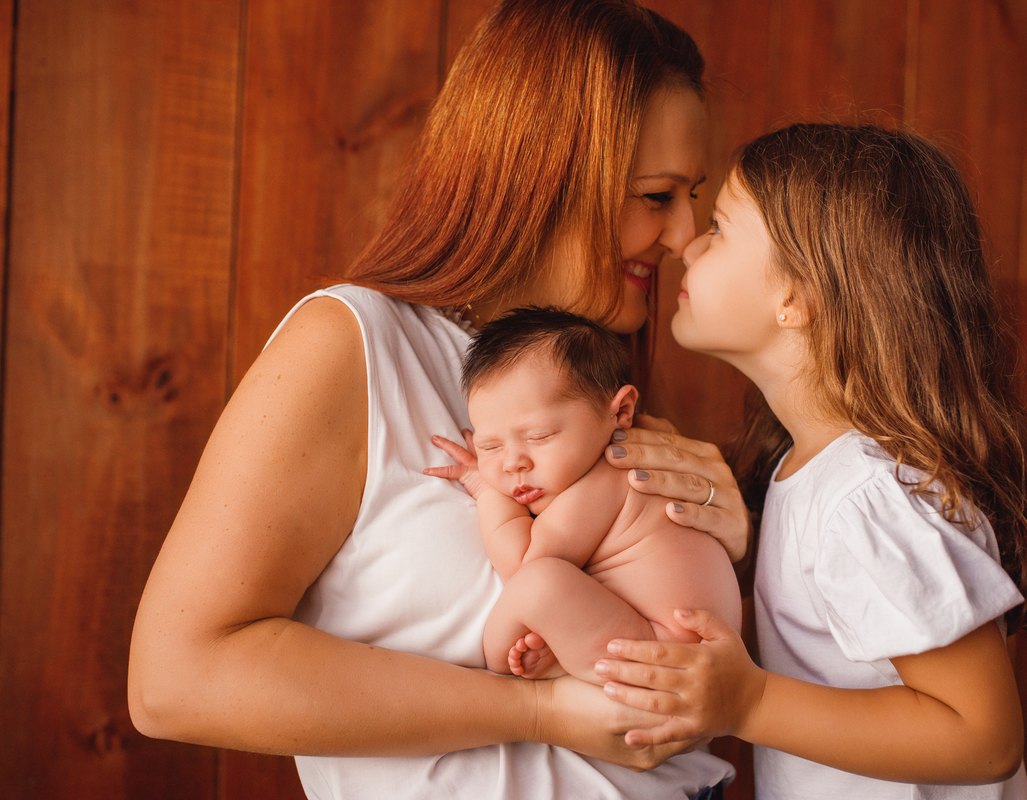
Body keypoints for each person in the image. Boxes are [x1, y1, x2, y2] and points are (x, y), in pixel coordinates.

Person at [127, 2, 751, 798]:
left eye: (692, 196)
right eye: (656, 196)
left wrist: (734, 538)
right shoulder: (352, 347)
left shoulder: (589, 377)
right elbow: (175, 679)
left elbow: (682, 662)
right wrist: (540, 714)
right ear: (542, 176)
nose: (683, 235)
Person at [594, 124, 1027, 798]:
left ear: (797, 297)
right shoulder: (815, 474)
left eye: (722, 228)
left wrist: (749, 704)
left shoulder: (866, 495)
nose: (689, 245)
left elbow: (985, 736)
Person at [423, 307, 742, 685]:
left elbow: (524, 561)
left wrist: (487, 490)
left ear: (620, 411)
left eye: (539, 436)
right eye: (489, 446)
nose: (513, 464)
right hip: (672, 650)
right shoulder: (618, 462)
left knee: (537, 583)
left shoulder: (613, 475)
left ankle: (555, 669)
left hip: (660, 651)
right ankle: (574, 661)